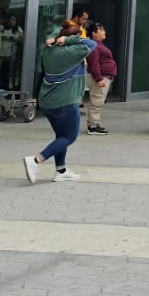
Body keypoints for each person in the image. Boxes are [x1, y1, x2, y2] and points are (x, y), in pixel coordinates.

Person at [22, 24, 97, 184]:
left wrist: (59, 40)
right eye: (79, 35)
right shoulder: (70, 52)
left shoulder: (48, 51)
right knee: (69, 137)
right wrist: (70, 40)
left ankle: (61, 171)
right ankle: (35, 161)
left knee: (61, 136)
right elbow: (91, 44)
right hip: (65, 101)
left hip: (48, 101)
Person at [84, 22, 118, 135]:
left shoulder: (98, 45)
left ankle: (95, 123)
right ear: (94, 33)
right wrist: (99, 78)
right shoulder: (94, 45)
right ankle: (92, 125)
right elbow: (94, 64)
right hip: (100, 77)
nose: (104, 32)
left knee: (98, 101)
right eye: (101, 30)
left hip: (104, 76)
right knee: (97, 101)